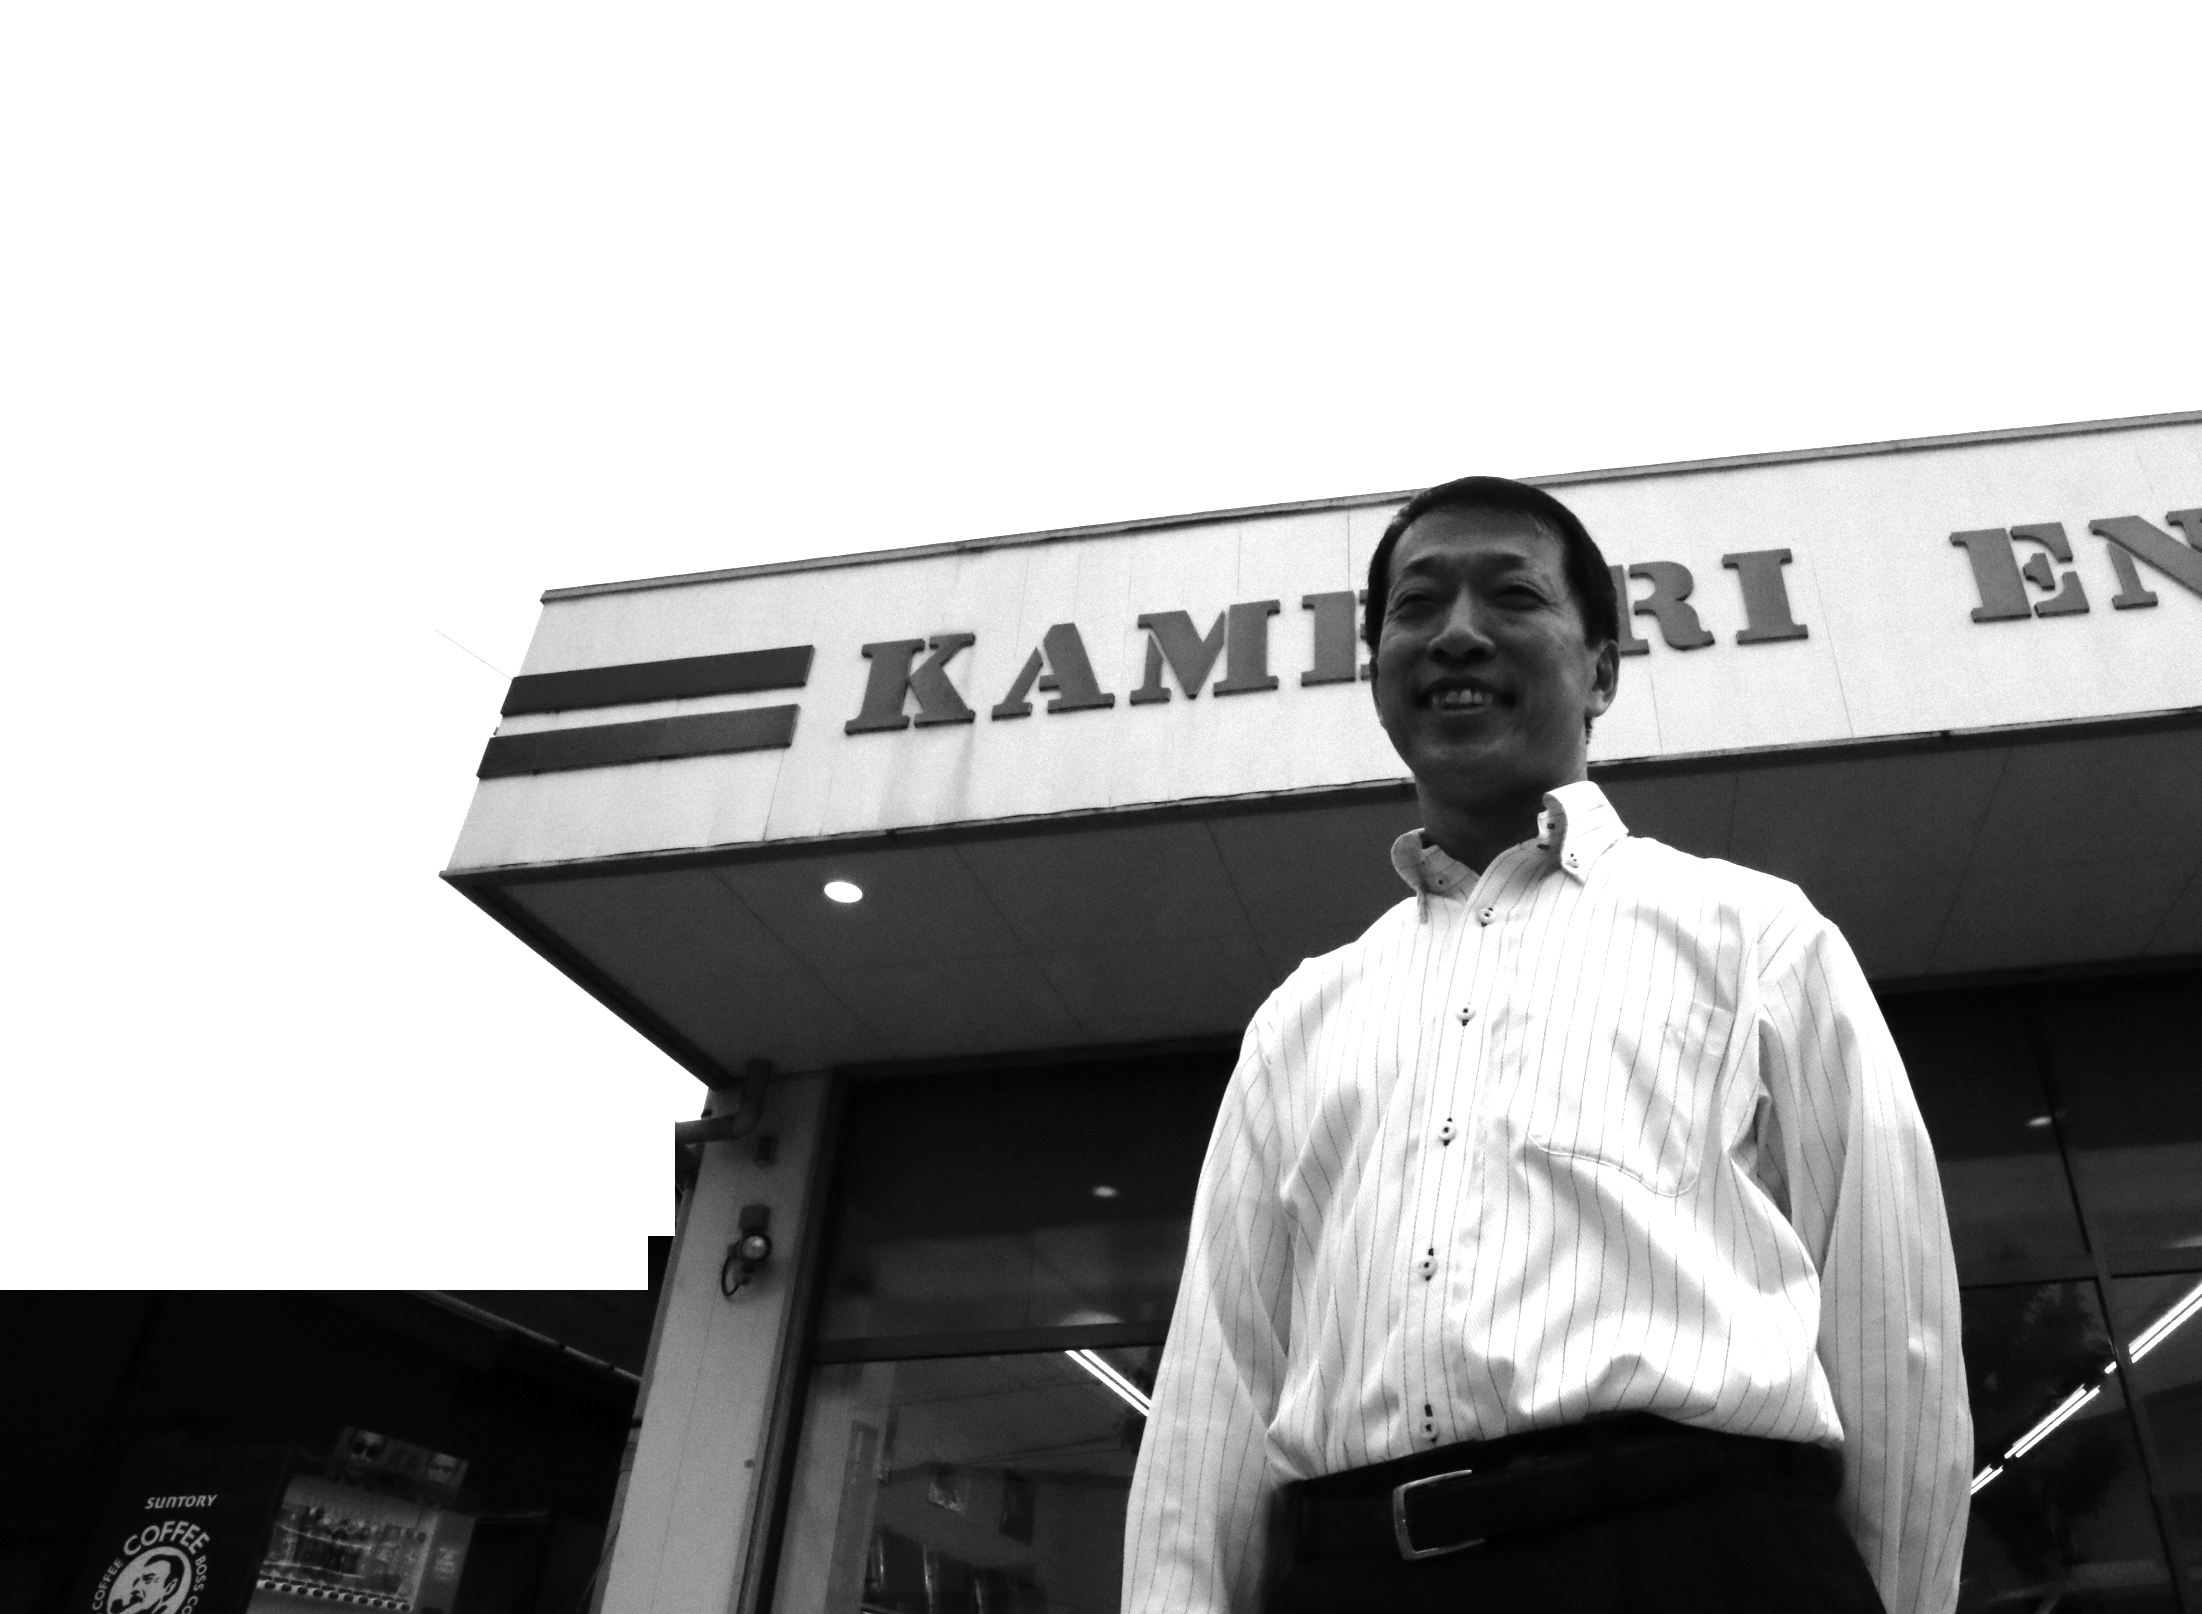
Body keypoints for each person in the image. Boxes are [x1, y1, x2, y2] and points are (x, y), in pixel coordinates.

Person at [1122, 476, 1969, 1613]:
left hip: (1700, 1562)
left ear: (1602, 671)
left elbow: (1891, 1327)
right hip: (1359, 1577)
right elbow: (1213, 1398)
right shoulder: (1299, 1021)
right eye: (1417, 605)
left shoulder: (1756, 936)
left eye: (1512, 595)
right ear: (1377, 675)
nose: (1457, 632)